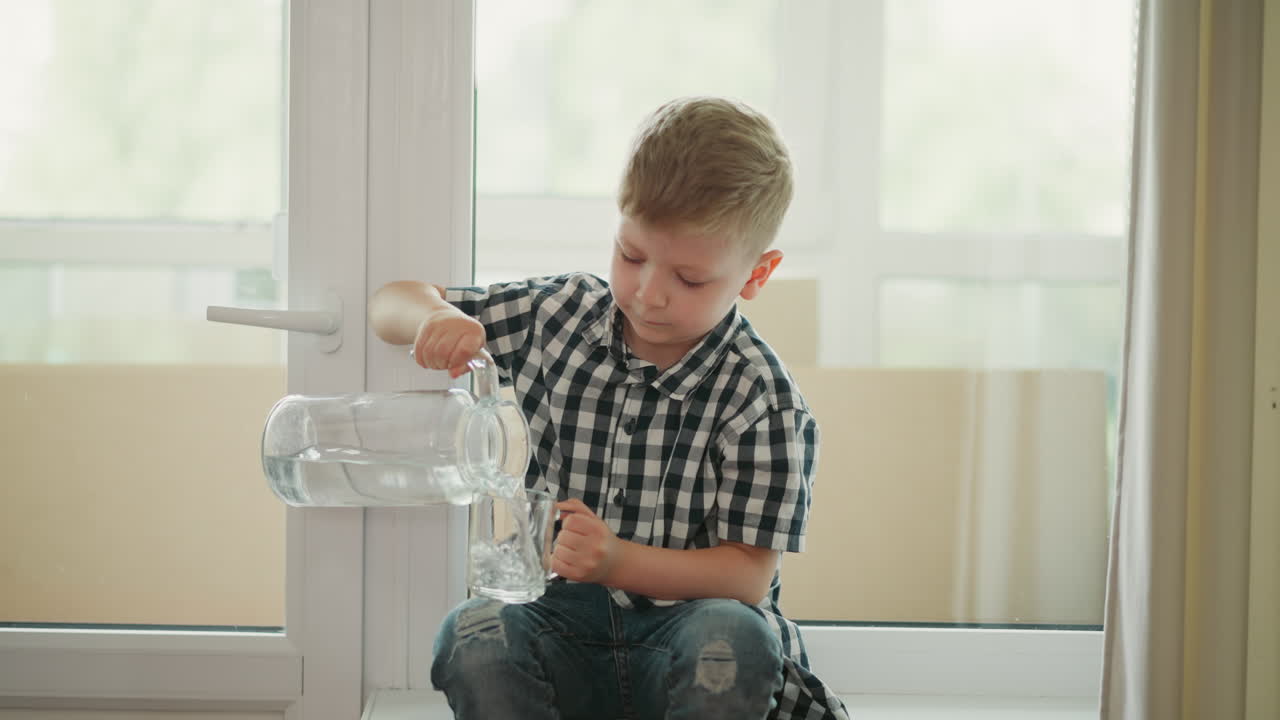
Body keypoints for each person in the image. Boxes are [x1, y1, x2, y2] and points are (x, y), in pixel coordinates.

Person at [368, 96, 849, 720]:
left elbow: (747, 578)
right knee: (474, 632)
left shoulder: (764, 401)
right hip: (558, 629)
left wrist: (620, 561)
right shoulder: (556, 315)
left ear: (756, 275)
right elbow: (391, 303)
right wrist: (435, 317)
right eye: (631, 255)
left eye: (689, 278)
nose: (649, 293)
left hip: (689, 640)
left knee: (734, 642)